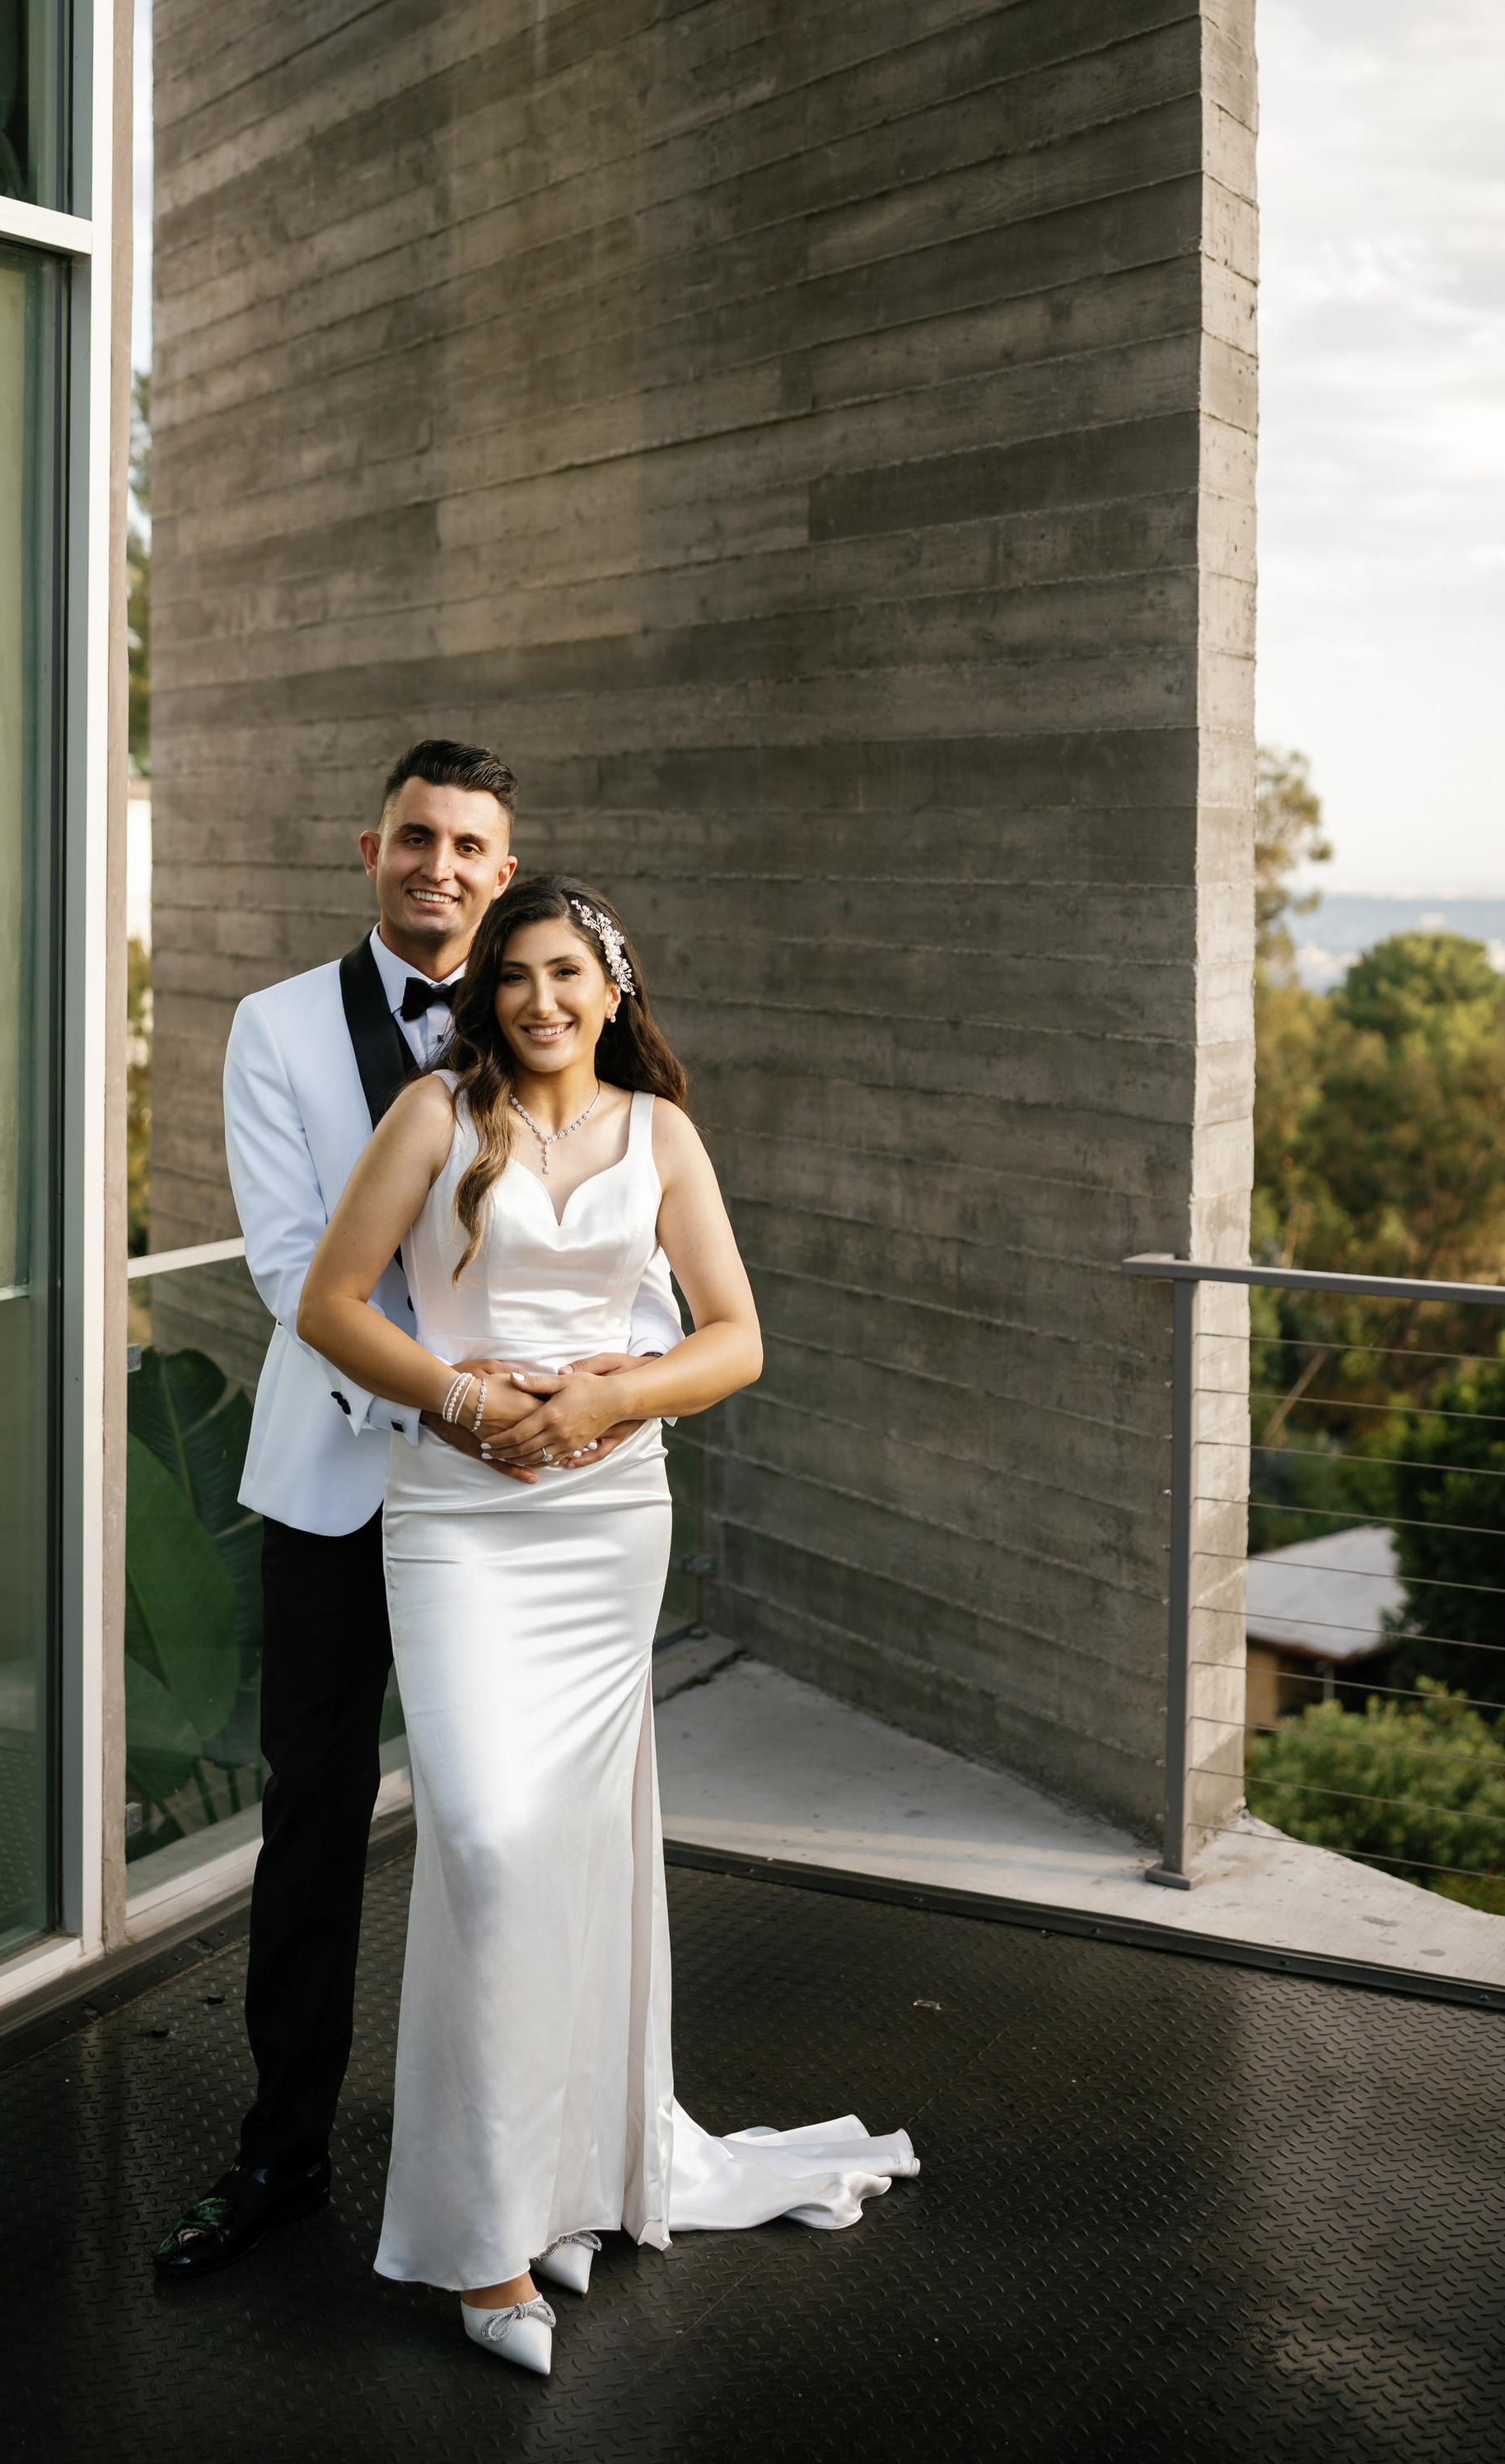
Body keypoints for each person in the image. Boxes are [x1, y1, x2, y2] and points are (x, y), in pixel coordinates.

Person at [296, 874, 918, 2376]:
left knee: (570, 1858)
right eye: (515, 975)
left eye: (567, 971)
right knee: (493, 1844)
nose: (540, 1000)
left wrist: (600, 1399)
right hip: (457, 1525)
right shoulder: (435, 1121)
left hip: (604, 1527)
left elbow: (736, 1339)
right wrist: (461, 1399)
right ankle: (480, 2244)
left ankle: (564, 2184)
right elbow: (329, 1304)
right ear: (485, 994)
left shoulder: (664, 1137)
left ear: (614, 986)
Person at [152, 747, 683, 2280]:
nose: (440, 867)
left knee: (525, 1830)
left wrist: (574, 1406)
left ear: (504, 873)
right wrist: (465, 1411)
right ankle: (280, 2154)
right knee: (315, 1818)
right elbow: (284, 1269)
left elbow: (634, 1263)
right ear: (368, 849)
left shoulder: (556, 1025)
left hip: (538, 1515)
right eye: (416, 839)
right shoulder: (273, 1030)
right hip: (345, 1480)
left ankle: (550, 2151)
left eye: (472, 847)